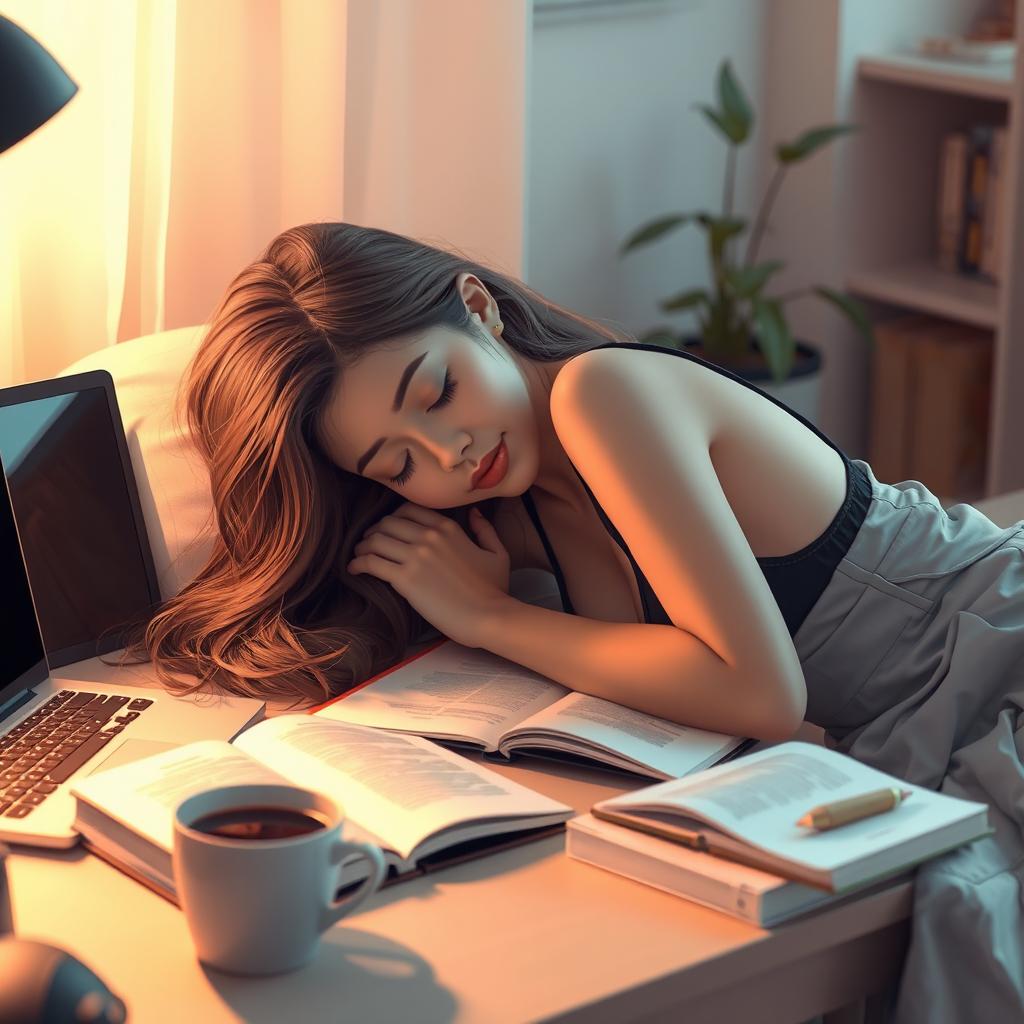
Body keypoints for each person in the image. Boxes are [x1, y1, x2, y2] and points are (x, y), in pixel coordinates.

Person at [111, 221, 1024, 1021]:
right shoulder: (509, 502)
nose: (447, 452)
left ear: (480, 307)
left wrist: (492, 616)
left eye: (435, 393)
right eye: (396, 465)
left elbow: (761, 691)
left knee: (964, 926)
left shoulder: (604, 396)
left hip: (991, 649)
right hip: (908, 716)